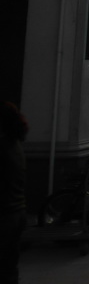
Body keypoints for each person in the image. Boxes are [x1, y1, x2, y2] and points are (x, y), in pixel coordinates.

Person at [0, 102, 27, 284]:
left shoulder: (4, 148)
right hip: (16, 213)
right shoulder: (15, 145)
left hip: (5, 216)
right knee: (9, 269)